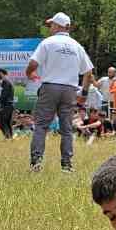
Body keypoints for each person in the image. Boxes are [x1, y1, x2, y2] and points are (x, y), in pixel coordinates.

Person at [24, 12, 93, 173]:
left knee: (41, 126)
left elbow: (33, 62)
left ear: (57, 26)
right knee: (67, 129)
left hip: (50, 88)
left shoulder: (48, 42)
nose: (50, 28)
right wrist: (83, 93)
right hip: (69, 90)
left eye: (51, 25)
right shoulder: (77, 46)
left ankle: (36, 162)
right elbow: (88, 72)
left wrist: (29, 73)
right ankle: (67, 165)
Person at [0, 68, 16, 139]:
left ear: (1, 73)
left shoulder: (5, 81)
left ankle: (7, 136)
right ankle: (10, 137)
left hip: (6, 105)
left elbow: (4, 94)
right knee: (7, 122)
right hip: (10, 105)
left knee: (1, 121)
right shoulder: (9, 81)